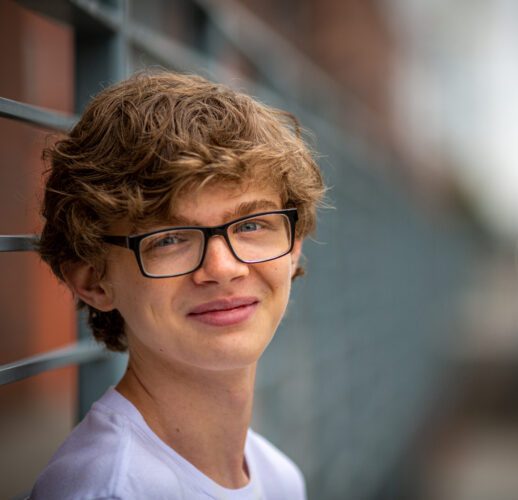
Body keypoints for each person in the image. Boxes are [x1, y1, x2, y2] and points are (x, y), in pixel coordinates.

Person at [30, 71, 325, 499]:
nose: (223, 268)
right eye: (169, 238)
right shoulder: (108, 490)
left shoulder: (279, 477)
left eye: (252, 224)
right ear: (93, 280)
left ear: (293, 246)